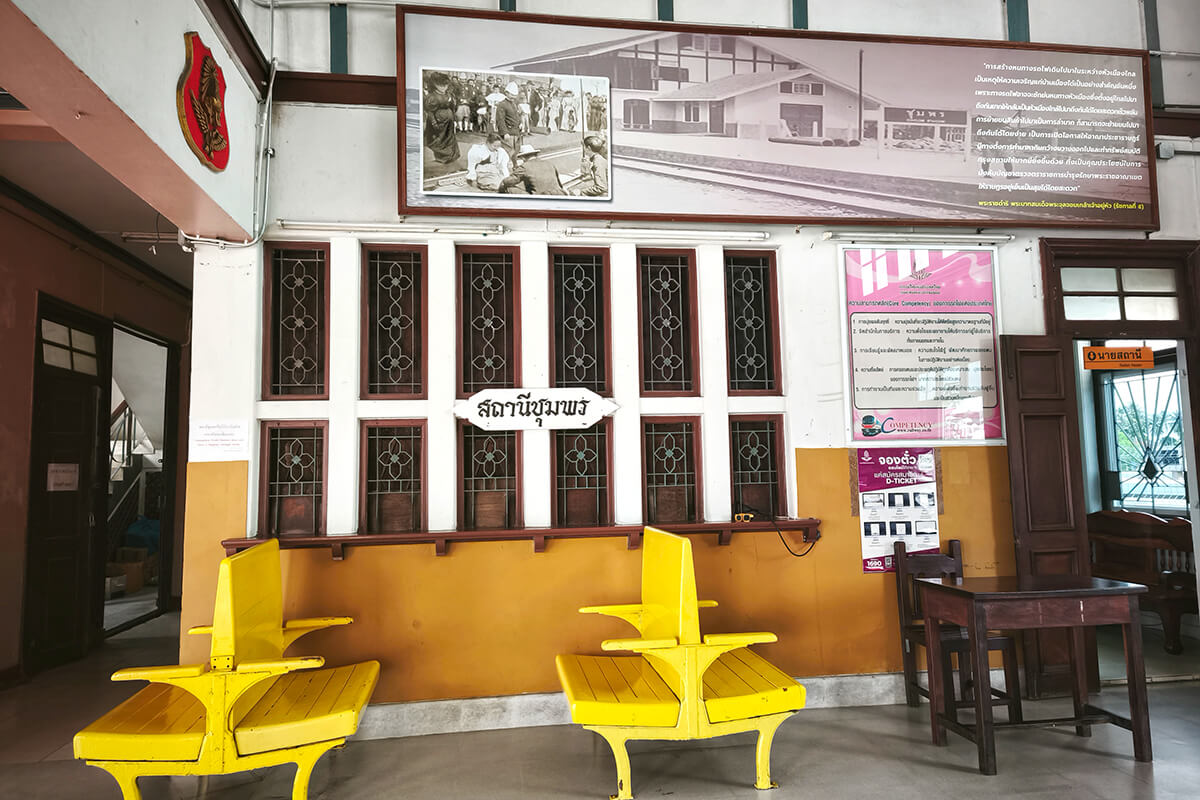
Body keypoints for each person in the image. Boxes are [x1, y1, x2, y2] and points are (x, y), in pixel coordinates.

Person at [423, 72, 460, 164]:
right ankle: (442, 157)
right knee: (440, 139)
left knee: (450, 138)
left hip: (449, 122)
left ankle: (450, 156)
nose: (444, 87)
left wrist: (454, 103)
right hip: (439, 122)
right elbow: (430, 111)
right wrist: (434, 122)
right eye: (441, 85)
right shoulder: (432, 97)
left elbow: (453, 108)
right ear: (435, 85)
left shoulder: (449, 94)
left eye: (445, 85)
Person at [500, 143, 565, 195]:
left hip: (541, 196)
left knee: (508, 188)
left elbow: (508, 181)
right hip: (558, 194)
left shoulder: (524, 166)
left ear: (523, 157)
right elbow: (560, 184)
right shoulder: (549, 163)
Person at [495, 81, 524, 153]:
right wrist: (504, 133)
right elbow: (500, 120)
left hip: (516, 133)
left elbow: (516, 115)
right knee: (508, 153)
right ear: (506, 93)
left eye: (515, 95)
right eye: (511, 95)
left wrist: (520, 123)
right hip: (508, 133)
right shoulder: (502, 104)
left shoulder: (514, 104)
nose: (513, 97)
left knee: (516, 152)